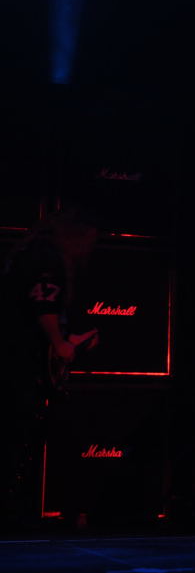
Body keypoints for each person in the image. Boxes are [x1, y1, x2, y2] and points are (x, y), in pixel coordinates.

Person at [0, 209, 99, 528]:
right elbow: (44, 305)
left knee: (19, 429)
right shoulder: (47, 258)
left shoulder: (29, 253)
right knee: (21, 430)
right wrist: (59, 343)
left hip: (18, 356)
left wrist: (72, 338)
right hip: (21, 359)